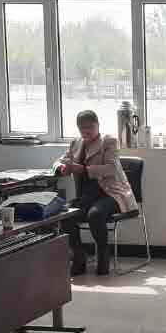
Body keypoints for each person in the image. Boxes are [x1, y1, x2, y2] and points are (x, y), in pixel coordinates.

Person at [56, 110, 137, 275]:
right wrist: (61, 167)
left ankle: (103, 255)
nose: (86, 131)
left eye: (90, 127)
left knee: (95, 214)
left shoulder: (109, 141)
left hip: (111, 194)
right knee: (64, 215)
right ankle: (79, 256)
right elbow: (59, 161)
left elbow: (111, 168)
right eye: (82, 128)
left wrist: (83, 170)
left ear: (98, 125)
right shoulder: (76, 143)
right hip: (87, 196)